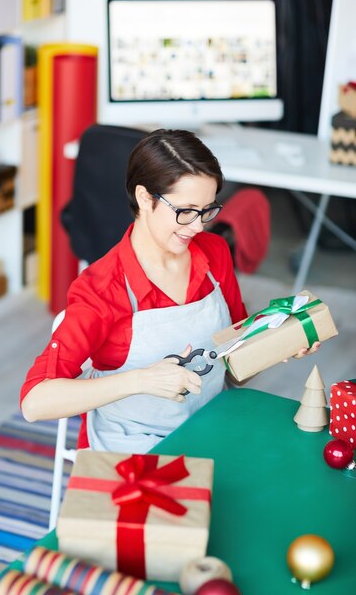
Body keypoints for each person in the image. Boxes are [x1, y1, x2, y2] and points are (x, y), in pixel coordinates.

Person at [20, 129, 318, 453]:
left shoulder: (215, 253)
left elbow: (232, 367)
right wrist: (140, 380)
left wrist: (278, 344)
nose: (198, 226)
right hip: (134, 449)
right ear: (145, 198)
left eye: (207, 210)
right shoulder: (103, 289)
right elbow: (34, 402)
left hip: (210, 429)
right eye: (186, 211)